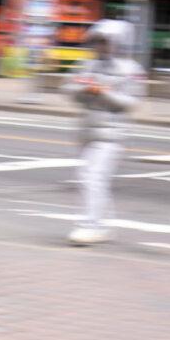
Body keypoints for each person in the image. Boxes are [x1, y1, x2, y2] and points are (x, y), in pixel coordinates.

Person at [62, 19, 145, 245]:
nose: (101, 46)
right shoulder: (88, 65)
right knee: (94, 178)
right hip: (87, 130)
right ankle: (103, 223)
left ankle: (92, 225)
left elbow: (131, 102)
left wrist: (103, 93)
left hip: (111, 135)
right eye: (98, 41)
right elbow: (69, 88)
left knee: (92, 177)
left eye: (106, 41)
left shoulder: (131, 70)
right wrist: (85, 88)